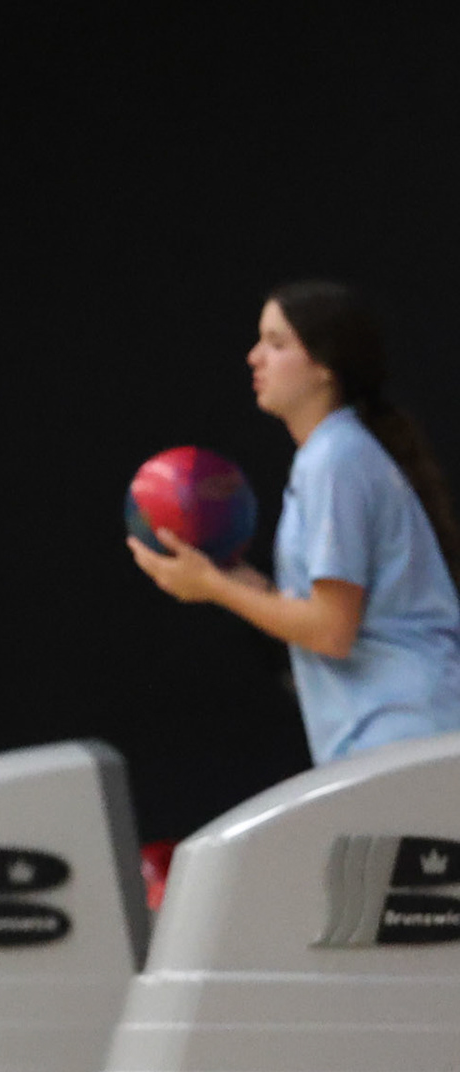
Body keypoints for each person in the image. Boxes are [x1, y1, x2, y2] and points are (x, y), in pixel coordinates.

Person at [129, 281, 460, 764]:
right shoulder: (333, 455)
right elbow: (323, 615)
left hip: (405, 734)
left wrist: (214, 588)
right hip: (400, 735)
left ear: (325, 366)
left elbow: (330, 630)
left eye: (276, 343)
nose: (254, 357)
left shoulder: (336, 459)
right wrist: (237, 582)